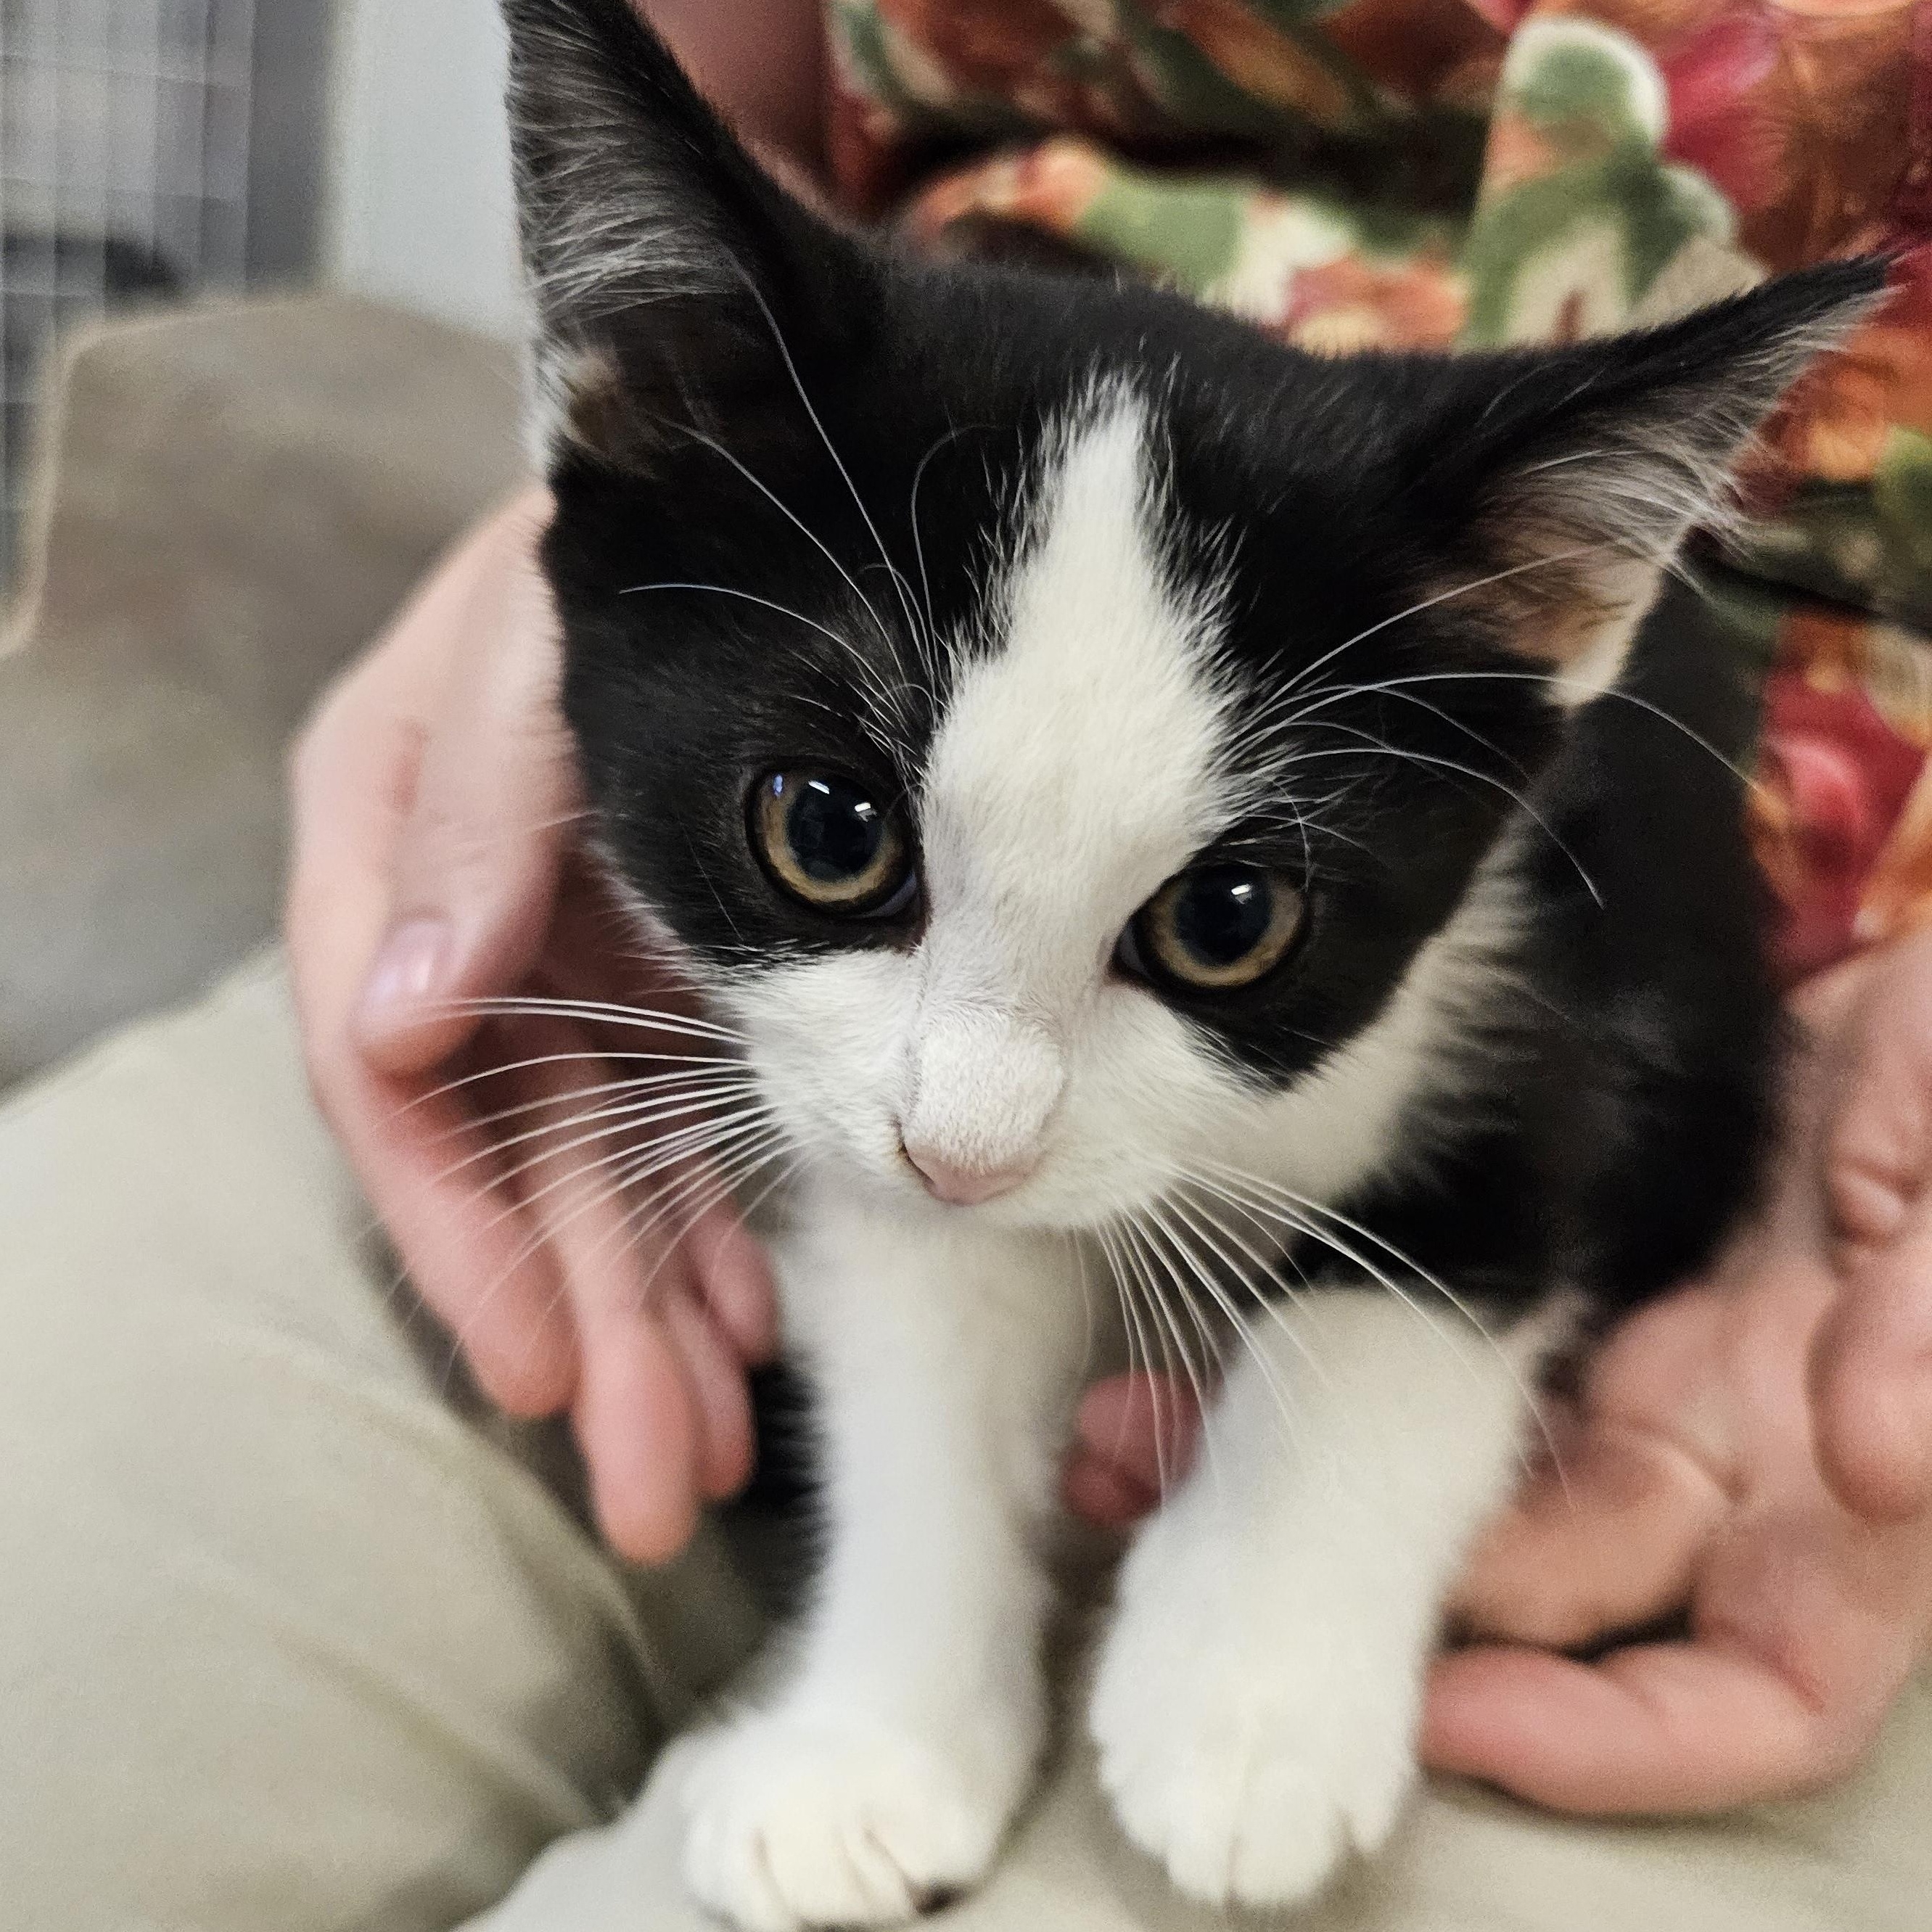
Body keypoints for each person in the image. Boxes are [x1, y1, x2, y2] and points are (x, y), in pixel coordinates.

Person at [5, 3, 1928, 1928]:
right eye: (834, 841)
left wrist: (1314, 1507)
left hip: (1776, 1282)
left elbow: (1466, 1218)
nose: (965, 1126)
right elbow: (695, 111)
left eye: (1219, 922)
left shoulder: (1456, 737)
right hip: (826, 544)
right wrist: (691, 434)